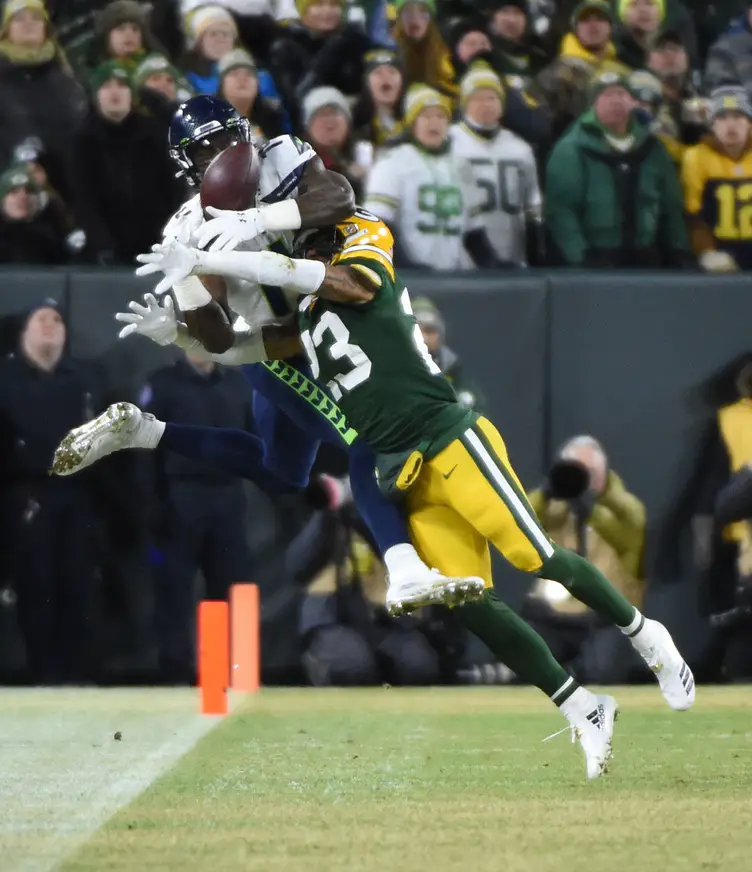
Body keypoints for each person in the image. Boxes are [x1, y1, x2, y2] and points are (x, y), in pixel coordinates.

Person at [120, 205, 696, 779]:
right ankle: (583, 706)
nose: (304, 255)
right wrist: (175, 331)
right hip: (401, 465)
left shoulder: (361, 273)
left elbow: (312, 274)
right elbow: (244, 348)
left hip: (448, 436)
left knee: (532, 554)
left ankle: (647, 636)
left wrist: (208, 255)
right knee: (467, 602)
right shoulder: (307, 319)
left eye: (308, 246)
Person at [53, 94, 485, 617]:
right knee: (369, 444)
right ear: (187, 164)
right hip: (279, 352)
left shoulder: (280, 155)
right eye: (206, 146)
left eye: (227, 136)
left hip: (323, 332)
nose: (223, 151)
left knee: (282, 473)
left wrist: (261, 219)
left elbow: (339, 198)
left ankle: (144, 431)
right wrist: (187, 288)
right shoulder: (188, 227)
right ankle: (405, 572)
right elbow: (215, 340)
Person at [0, 302, 101, 683]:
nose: (50, 326)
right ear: (23, 331)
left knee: (78, 585)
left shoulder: (83, 380)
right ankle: (43, 673)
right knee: (35, 586)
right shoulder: (5, 378)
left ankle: (77, 673)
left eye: (57, 320)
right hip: (27, 496)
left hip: (76, 496)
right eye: (40, 319)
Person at [143, 351, 256, 683]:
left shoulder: (238, 385)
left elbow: (255, 440)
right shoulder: (162, 384)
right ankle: (177, 671)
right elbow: (144, 447)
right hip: (179, 496)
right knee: (175, 589)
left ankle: (221, 671)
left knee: (229, 585)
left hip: (228, 495)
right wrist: (151, 503)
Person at [523, 435, 648, 685]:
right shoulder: (555, 509)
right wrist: (548, 492)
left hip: (606, 618)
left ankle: (571, 677)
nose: (581, 478)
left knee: (601, 674)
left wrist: (592, 511)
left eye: (588, 472)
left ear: (604, 473)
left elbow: (630, 529)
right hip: (555, 616)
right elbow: (519, 519)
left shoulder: (625, 509)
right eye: (574, 471)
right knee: (527, 662)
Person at [545, 71, 694, 268]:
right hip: (595, 257)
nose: (615, 101)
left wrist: (678, 250)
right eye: (606, 95)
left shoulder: (652, 148)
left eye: (621, 94)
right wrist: (578, 257)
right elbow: (561, 210)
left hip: (646, 257)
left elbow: (671, 206)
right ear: (592, 103)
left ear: (633, 102)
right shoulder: (572, 148)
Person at [364, 84, 504, 269]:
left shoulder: (461, 166)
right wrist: (405, 265)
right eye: (426, 116)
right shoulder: (392, 163)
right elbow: (379, 223)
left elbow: (473, 233)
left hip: (451, 276)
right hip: (408, 277)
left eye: (440, 116)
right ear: (412, 123)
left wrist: (493, 264)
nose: (434, 123)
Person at [70, 60, 185, 265]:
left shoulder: (154, 135)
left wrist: (166, 237)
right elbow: (83, 200)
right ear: (96, 95)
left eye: (122, 85)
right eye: (106, 86)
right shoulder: (82, 141)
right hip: (105, 250)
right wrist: (102, 244)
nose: (115, 92)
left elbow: (173, 191)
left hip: (154, 243)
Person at [449, 64, 542, 267]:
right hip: (461, 258)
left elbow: (532, 204)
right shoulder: (450, 142)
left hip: (512, 250)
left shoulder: (519, 147)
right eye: (477, 98)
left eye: (492, 98)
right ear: (464, 103)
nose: (486, 104)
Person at [682, 87, 752, 273]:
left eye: (738, 117)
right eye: (722, 118)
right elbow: (693, 214)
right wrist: (707, 251)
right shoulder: (697, 157)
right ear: (712, 125)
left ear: (749, 124)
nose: (731, 125)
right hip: (719, 254)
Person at [411, 297, 485, 412]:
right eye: (417, 331)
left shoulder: (451, 368)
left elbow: (477, 407)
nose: (424, 338)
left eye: (430, 331)